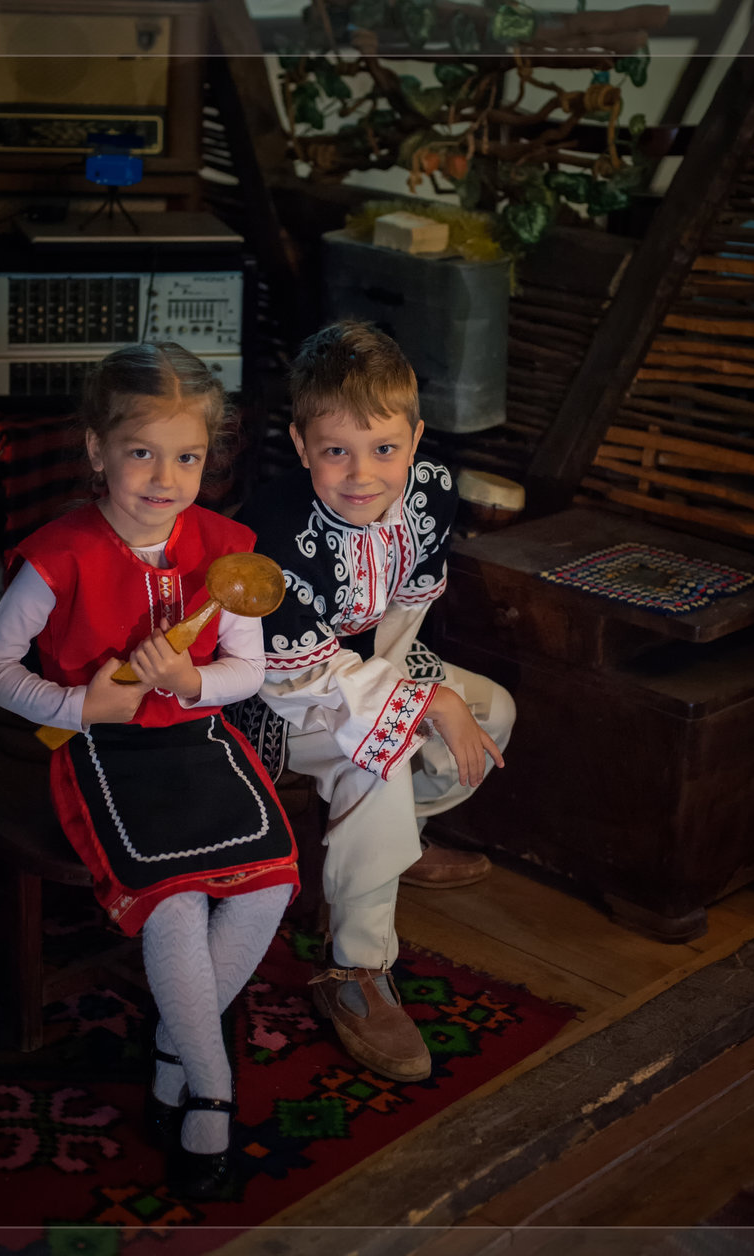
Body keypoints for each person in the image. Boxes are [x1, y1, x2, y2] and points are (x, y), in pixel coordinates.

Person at [0, 342, 299, 1201]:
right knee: (175, 901)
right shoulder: (61, 555)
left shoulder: (226, 550)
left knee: (267, 885)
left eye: (187, 456)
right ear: (96, 449)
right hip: (102, 753)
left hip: (196, 743)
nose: (164, 477)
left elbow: (248, 672)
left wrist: (190, 681)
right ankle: (210, 1093)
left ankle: (171, 1056)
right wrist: (78, 704)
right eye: (141, 452)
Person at [238, 320, 516, 1084]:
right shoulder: (272, 531)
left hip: (371, 661)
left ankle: (392, 850)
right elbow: (298, 675)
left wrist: (421, 693)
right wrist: (414, 707)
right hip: (278, 692)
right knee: (380, 758)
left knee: (491, 712)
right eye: (336, 451)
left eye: (385, 448)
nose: (363, 474)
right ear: (302, 446)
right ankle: (355, 969)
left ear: (415, 439)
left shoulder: (429, 490)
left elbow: (406, 609)